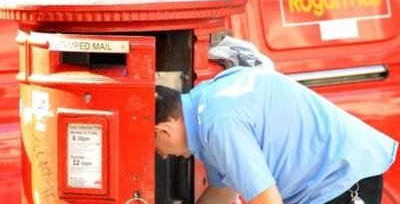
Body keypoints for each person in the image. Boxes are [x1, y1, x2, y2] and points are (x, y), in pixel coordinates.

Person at [155, 66, 398, 204]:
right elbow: (222, 191)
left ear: (162, 130)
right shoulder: (204, 107)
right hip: (330, 179)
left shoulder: (218, 123)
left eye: (157, 149)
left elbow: (267, 200)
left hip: (341, 180)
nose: (164, 156)